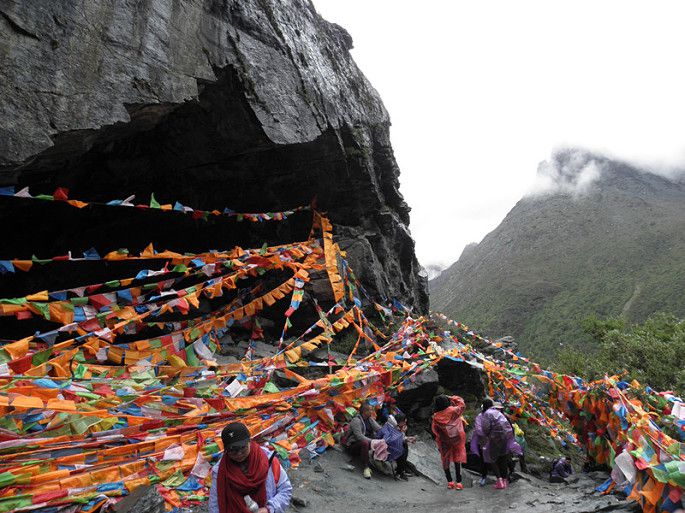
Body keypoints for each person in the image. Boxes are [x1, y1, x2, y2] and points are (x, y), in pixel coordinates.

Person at [209, 422, 292, 513]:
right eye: (233, 450)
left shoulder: (268, 460)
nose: (239, 453)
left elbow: (285, 490)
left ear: (250, 442)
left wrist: (269, 509)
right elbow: (215, 505)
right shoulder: (221, 471)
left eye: (243, 448)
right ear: (226, 450)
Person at [476, 399, 515, 490]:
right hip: (505, 438)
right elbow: (508, 426)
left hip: (493, 439)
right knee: (503, 458)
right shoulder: (498, 413)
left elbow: (484, 429)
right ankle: (504, 481)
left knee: (491, 459)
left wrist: (486, 436)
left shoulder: (486, 414)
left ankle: (499, 481)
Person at [431, 394, 467, 490]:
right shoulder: (453, 410)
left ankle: (450, 482)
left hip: (444, 440)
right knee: (457, 458)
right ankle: (459, 483)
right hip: (457, 438)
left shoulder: (436, 416)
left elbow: (435, 430)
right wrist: (452, 397)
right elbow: (462, 404)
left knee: (445, 460)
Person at [344, 401, 382, 479]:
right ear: (364, 411)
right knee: (365, 443)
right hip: (353, 445)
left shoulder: (370, 419)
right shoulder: (356, 420)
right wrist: (373, 441)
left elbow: (379, 429)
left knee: (381, 439)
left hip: (367, 442)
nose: (372, 411)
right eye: (370, 410)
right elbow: (359, 436)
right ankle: (366, 467)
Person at [376, 412, 416, 480]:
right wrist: (404, 438)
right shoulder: (390, 426)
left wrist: (407, 438)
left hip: (390, 445)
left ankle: (400, 471)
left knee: (404, 446)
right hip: (384, 446)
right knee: (402, 449)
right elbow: (388, 440)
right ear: (402, 421)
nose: (405, 423)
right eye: (404, 422)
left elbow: (398, 438)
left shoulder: (397, 426)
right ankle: (400, 472)